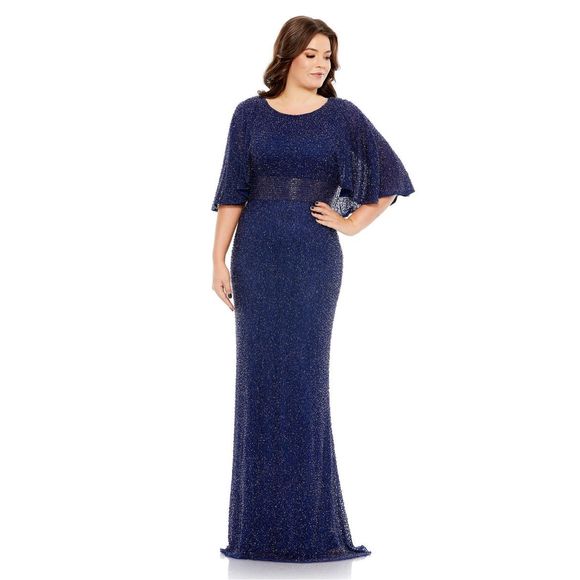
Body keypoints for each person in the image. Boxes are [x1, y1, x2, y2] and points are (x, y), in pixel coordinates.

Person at [211, 16, 415, 563]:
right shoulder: (248, 114)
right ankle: (257, 531)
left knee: (302, 381)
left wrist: (348, 220)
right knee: (259, 382)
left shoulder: (342, 117)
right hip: (256, 256)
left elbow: (387, 178)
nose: (322, 64)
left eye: (328, 56)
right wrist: (217, 259)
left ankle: (309, 527)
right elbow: (233, 190)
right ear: (288, 55)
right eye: (312, 54)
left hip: (313, 259)